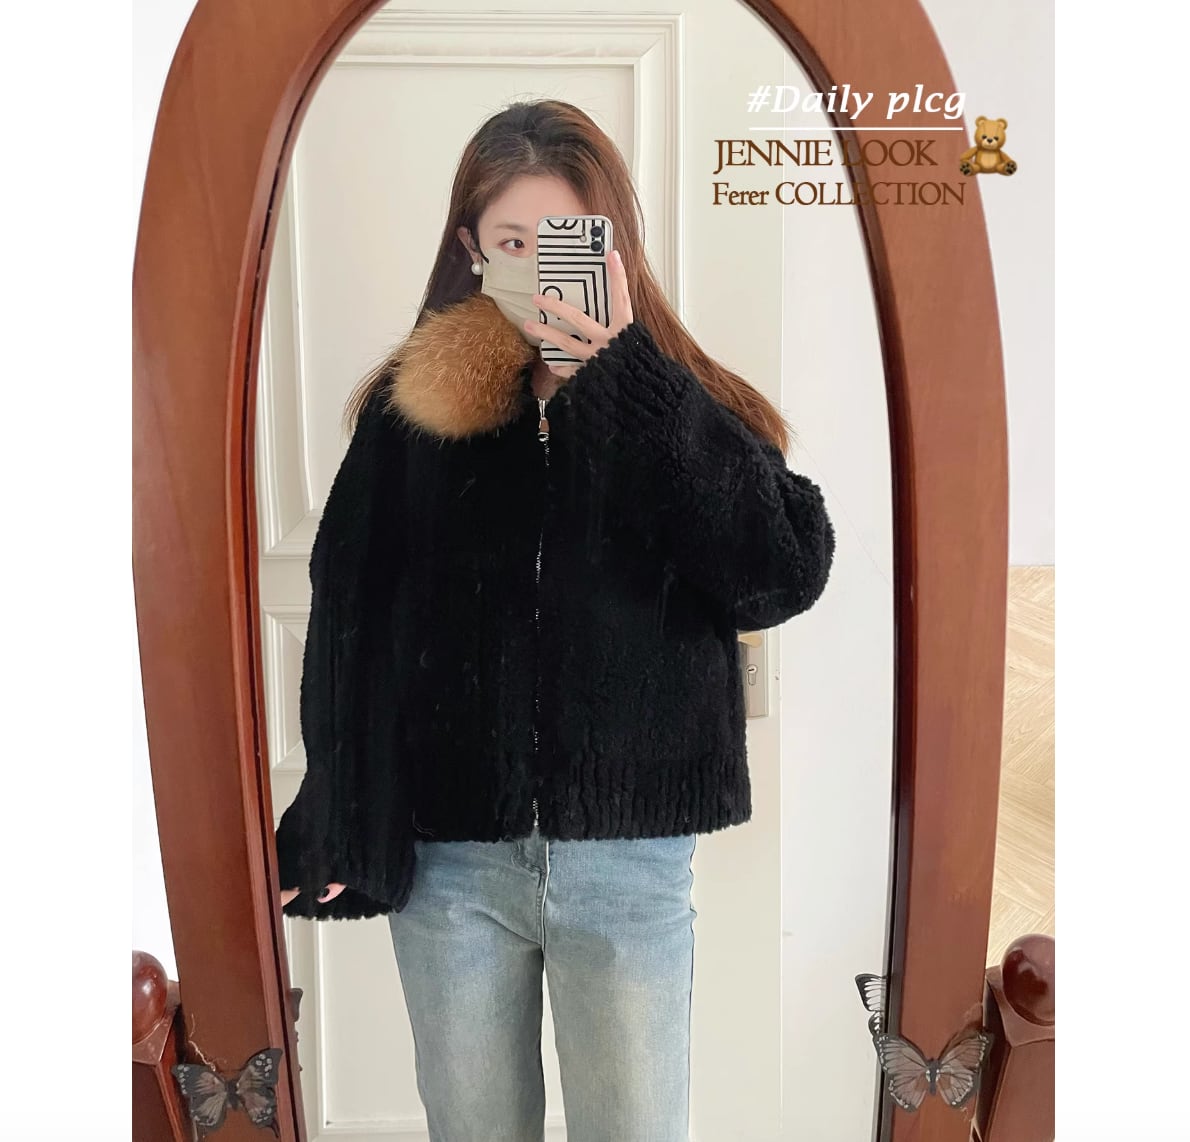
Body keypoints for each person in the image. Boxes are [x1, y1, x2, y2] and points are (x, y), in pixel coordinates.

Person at [274, 98, 835, 1142]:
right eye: (511, 242)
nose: (539, 268)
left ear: (615, 247)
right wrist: (339, 800)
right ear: (470, 249)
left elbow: (779, 574)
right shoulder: (412, 411)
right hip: (450, 859)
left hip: (629, 860)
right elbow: (354, 612)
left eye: (566, 239)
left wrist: (621, 385)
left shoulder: (687, 404)